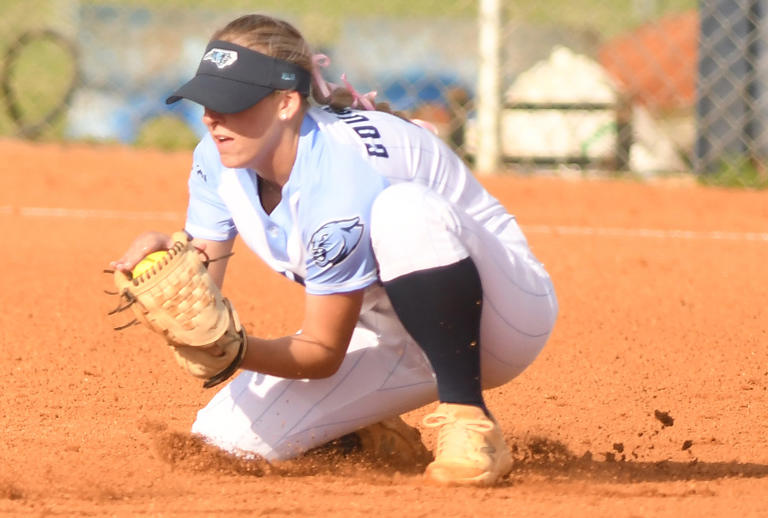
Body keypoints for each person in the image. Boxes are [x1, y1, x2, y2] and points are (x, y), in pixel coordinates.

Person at [111, 13, 558, 486]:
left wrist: (236, 352)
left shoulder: (338, 173)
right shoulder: (217, 157)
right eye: (206, 100)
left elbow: (322, 352)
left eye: (231, 103)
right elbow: (203, 276)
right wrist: (175, 254)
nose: (211, 117)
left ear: (285, 103)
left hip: (498, 315)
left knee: (401, 211)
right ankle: (365, 428)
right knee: (223, 440)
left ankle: (468, 418)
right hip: (389, 323)